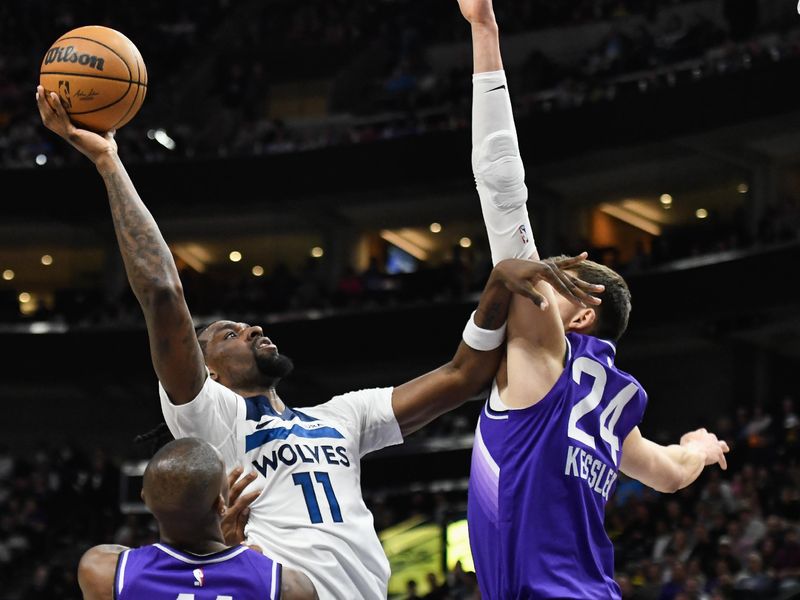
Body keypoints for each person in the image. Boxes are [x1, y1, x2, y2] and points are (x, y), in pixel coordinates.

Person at [36, 87, 602, 599]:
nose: (253, 328)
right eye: (229, 333)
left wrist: (498, 282)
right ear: (205, 369)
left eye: (248, 324)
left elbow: (463, 376)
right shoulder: (212, 417)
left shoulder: (343, 415)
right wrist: (110, 163)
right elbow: (162, 291)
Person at [456, 0, 731, 597]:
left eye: (550, 284)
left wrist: (485, 33)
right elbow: (667, 473)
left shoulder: (545, 355)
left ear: (581, 313)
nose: (533, 280)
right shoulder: (615, 406)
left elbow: (503, 189)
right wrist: (701, 450)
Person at [77, 437, 317, 599]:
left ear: (144, 498)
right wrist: (233, 552)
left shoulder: (103, 570)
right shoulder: (288, 585)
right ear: (221, 504)